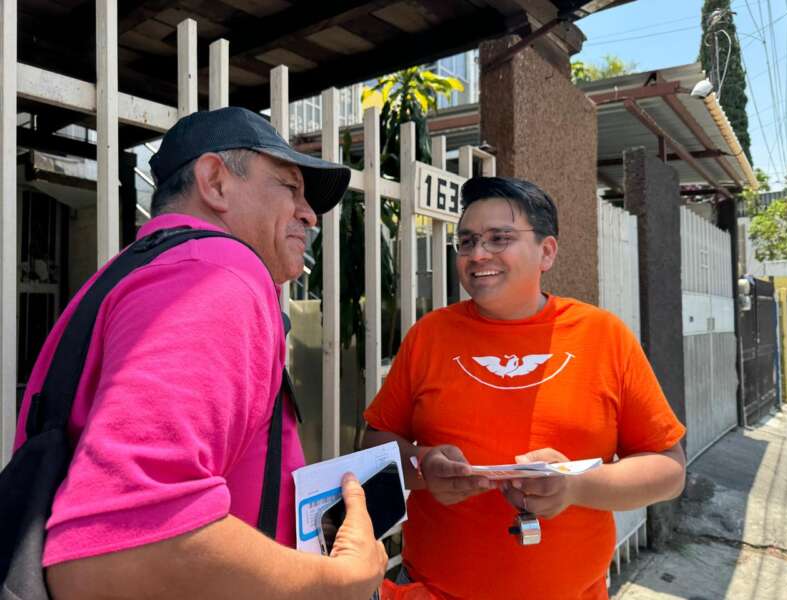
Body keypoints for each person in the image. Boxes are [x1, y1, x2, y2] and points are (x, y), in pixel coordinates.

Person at [13, 107, 386, 599]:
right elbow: (119, 548)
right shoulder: (217, 269)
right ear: (215, 182)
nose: (309, 214)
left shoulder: (132, 273)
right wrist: (338, 583)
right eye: (289, 187)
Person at [362, 176, 686, 600]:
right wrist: (423, 468)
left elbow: (668, 469)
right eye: (466, 241)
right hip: (433, 590)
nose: (478, 254)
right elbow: (373, 444)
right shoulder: (430, 335)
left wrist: (575, 486)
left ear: (546, 252)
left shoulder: (602, 336)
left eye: (499, 238)